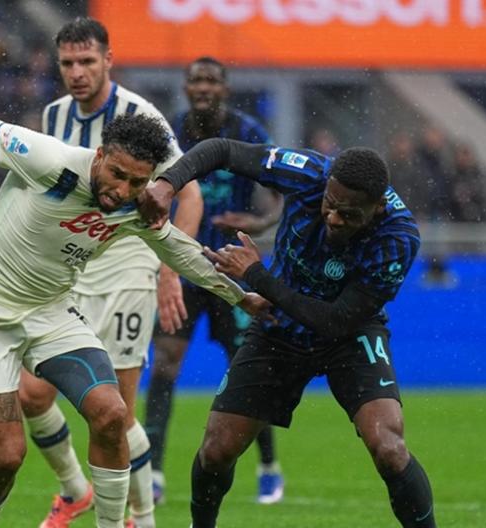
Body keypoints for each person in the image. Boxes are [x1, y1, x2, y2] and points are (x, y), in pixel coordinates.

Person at [0, 82, 271, 528]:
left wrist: (241, 295)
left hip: (51, 311)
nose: (122, 190)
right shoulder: (48, 160)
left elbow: (179, 251)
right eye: (117, 174)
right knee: (6, 458)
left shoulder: (137, 205)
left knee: (112, 414)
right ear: (99, 156)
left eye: (136, 182)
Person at [140, 138, 436, 527]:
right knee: (216, 450)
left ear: (377, 208)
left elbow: (336, 321)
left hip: (349, 335)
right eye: (330, 204)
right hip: (278, 327)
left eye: (349, 214)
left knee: (389, 448)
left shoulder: (397, 238)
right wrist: (168, 184)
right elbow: (223, 151)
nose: (334, 218)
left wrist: (256, 276)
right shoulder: (308, 173)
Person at [24, 18, 202, 528]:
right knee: (31, 394)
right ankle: (75, 490)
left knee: (116, 412)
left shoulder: (140, 117)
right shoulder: (54, 114)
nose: (77, 72)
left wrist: (170, 270)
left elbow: (188, 194)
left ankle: (140, 518)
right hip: (72, 268)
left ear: (108, 60)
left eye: (87, 61)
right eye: (68, 63)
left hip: (127, 267)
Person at [143, 56, 285, 506]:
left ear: (225, 88)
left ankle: (268, 465)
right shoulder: (168, 132)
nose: (203, 87)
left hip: (233, 267)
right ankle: (154, 472)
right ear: (186, 88)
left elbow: (283, 193)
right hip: (181, 264)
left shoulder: (248, 133)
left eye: (211, 81)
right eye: (196, 81)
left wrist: (260, 223)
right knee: (165, 364)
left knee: (247, 367)